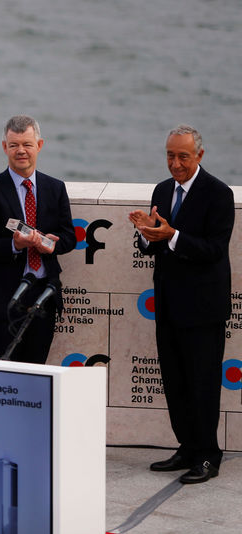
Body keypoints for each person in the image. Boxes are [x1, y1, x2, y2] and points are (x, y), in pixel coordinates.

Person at [129, 125, 233, 484]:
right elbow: (156, 243)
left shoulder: (218, 195)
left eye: (183, 156)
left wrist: (172, 235)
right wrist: (147, 235)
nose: (175, 163)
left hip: (204, 309)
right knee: (175, 381)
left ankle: (208, 454)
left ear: (199, 156)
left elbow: (214, 250)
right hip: (169, 305)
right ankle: (187, 447)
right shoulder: (162, 189)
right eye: (170, 155)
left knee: (202, 383)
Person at [0, 115, 75, 364]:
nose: (21, 151)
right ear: (5, 147)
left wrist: (50, 244)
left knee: (37, 374)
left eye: (27, 144)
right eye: (14, 145)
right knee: (4, 379)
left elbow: (69, 237)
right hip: (4, 299)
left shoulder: (55, 188)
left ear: (39, 145)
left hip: (43, 296)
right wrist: (15, 245)